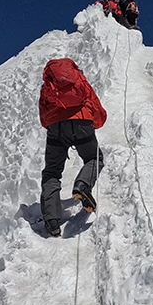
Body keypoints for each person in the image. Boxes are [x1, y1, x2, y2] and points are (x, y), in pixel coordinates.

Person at [38, 57, 107, 234]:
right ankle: (83, 184)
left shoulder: (48, 85)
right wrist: (95, 123)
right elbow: (93, 102)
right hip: (82, 122)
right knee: (94, 158)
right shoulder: (78, 79)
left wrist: (54, 125)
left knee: (52, 172)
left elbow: (43, 115)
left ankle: (52, 220)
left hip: (56, 127)